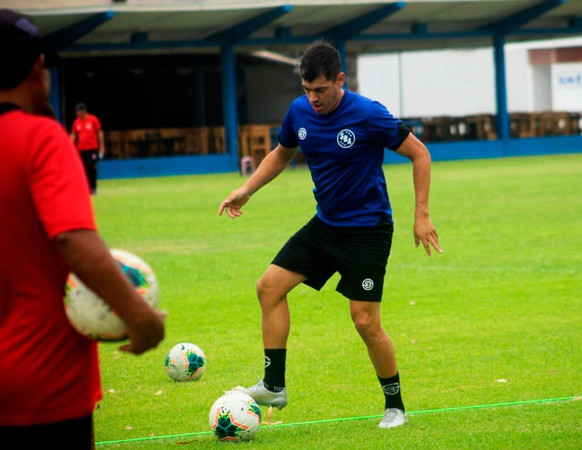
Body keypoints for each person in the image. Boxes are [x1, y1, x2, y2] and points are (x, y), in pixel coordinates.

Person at [219, 41, 442, 429]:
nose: (313, 98)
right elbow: (282, 153)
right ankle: (274, 385)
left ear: (340, 80)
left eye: (320, 89)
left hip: (368, 231)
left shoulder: (369, 114)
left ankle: (395, 407)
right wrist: (247, 189)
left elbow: (419, 153)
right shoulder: (299, 111)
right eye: (307, 89)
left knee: (364, 321)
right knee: (269, 287)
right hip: (325, 225)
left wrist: (421, 215)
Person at [0, 9, 165, 447]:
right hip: (40, 376)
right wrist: (138, 314)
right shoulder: (41, 137)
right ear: (39, 69)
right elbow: (73, 237)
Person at [70, 102, 105, 194]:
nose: (76, 114)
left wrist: (102, 147)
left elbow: (99, 133)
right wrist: (69, 146)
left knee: (91, 168)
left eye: (78, 111)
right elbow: (73, 135)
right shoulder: (76, 122)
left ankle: (93, 188)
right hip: (81, 150)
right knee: (83, 169)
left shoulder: (93, 120)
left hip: (92, 149)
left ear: (83, 111)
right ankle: (86, 188)